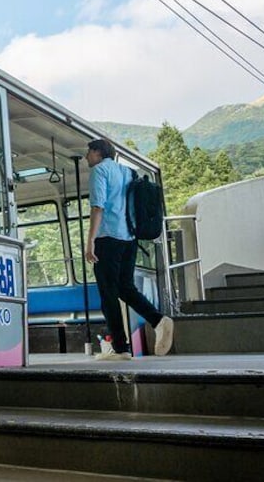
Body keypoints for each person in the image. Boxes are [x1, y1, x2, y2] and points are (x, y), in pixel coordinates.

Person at [84, 138, 174, 360]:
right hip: (130, 238)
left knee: (108, 293)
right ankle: (158, 320)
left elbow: (98, 207)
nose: (87, 157)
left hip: (108, 237)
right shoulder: (127, 172)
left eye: (88, 152)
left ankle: (121, 348)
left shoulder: (99, 171)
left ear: (97, 152)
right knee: (124, 288)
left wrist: (90, 241)